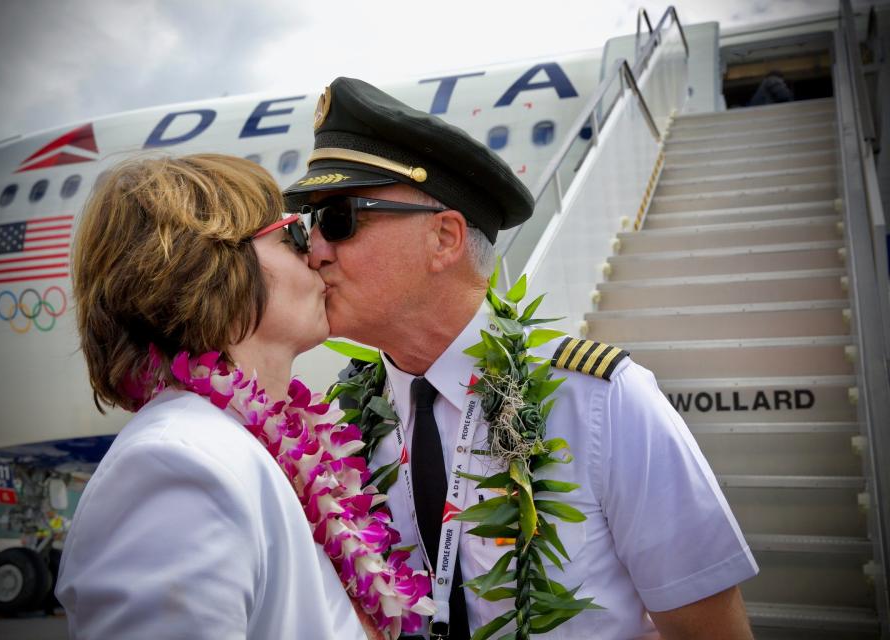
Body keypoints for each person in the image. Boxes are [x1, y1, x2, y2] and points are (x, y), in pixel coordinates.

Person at [284, 77, 759, 639]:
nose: (315, 250)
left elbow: (708, 628)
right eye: (310, 225)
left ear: (443, 238)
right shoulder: (344, 426)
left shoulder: (601, 402)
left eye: (339, 219)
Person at [57, 154, 368, 639]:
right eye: (294, 236)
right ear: (216, 267)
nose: (317, 255)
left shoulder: (237, 445)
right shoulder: (177, 464)